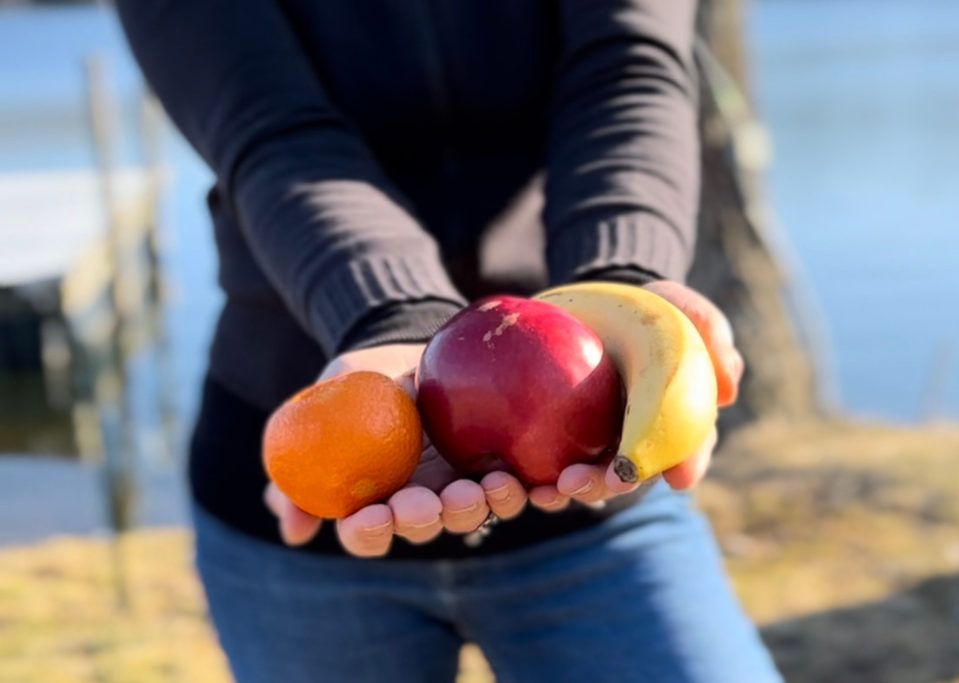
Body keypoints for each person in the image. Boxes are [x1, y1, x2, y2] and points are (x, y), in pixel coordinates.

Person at [115, 0, 781, 680]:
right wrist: (394, 316)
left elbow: (628, 68)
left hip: (594, 465)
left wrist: (623, 278)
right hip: (323, 460)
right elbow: (270, 129)